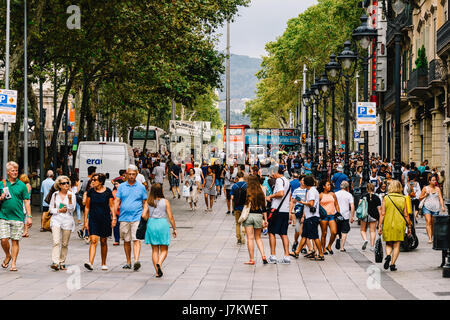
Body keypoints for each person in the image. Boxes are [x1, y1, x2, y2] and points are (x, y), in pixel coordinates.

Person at [114, 165, 149, 271]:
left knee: (136, 239)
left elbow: (145, 201)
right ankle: (128, 261)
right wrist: (114, 214)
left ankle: (136, 260)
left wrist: (144, 213)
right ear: (126, 174)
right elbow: (117, 200)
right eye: (129, 174)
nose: (131, 176)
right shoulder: (121, 187)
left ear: (136, 174)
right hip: (124, 217)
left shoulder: (141, 187)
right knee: (126, 240)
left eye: (133, 174)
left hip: (137, 217)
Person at [0, 162, 32, 272]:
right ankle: (7, 255)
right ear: (8, 172)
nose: (15, 172)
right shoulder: (2, 184)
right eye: (13, 170)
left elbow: (27, 201)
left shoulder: (22, 185)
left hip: (18, 217)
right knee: (4, 239)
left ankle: (13, 263)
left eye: (16, 170)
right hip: (3, 216)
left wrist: (29, 216)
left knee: (15, 241)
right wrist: (1, 197)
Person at [143, 183, 176, 278]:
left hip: (151, 224)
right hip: (162, 224)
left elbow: (143, 215)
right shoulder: (165, 201)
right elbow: (171, 217)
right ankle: (159, 263)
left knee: (154, 250)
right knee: (164, 249)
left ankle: (157, 272)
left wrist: (148, 219)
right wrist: (174, 228)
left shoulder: (148, 202)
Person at [83, 173, 116, 271]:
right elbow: (87, 207)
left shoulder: (108, 192)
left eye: (95, 180)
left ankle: (103, 263)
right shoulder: (90, 192)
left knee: (103, 241)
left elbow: (111, 206)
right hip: (93, 219)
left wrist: (114, 218)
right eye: (92, 180)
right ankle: (90, 262)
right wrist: (85, 221)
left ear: (101, 182)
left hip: (105, 219)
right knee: (93, 240)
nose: (92, 181)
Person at [379, 180, 412, 271]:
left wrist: (380, 225)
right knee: (397, 245)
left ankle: (388, 255)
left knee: (388, 243)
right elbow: (406, 214)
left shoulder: (386, 198)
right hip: (399, 224)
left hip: (388, 223)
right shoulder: (403, 198)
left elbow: (382, 213)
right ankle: (392, 264)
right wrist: (409, 226)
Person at [289, 175, 324, 261]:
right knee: (304, 235)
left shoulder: (311, 191)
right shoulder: (310, 190)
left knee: (315, 236)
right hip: (309, 217)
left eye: (303, 181)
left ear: (306, 183)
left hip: (312, 217)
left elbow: (311, 203)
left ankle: (321, 254)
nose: (302, 182)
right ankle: (297, 252)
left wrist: (302, 202)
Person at [48, 175, 76, 271]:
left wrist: (70, 199)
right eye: (64, 183)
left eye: (67, 183)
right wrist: (59, 210)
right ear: (59, 185)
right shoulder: (55, 195)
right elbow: (51, 209)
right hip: (56, 219)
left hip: (67, 220)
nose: (66, 185)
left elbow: (72, 209)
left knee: (64, 243)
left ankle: (62, 261)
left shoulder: (71, 195)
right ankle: (55, 262)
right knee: (56, 242)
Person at [265, 166, 291, 264]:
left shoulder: (279, 180)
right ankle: (286, 256)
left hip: (277, 210)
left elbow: (280, 193)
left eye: (272, 172)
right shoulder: (287, 181)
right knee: (283, 233)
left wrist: (270, 196)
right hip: (284, 210)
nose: (271, 175)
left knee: (271, 232)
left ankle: (273, 256)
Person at [242, 176, 268, 265]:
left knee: (250, 238)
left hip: (248, 216)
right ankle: (263, 255)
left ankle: (252, 259)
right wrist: (266, 219)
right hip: (258, 216)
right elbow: (264, 208)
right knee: (258, 238)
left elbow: (242, 203)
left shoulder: (247, 192)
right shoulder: (260, 192)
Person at [418, 175, 446, 243]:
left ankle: (432, 235)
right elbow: (420, 198)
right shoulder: (425, 188)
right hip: (427, 207)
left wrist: (442, 206)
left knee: (433, 223)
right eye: (433, 180)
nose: (434, 181)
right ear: (429, 181)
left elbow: (440, 198)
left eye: (435, 180)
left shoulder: (437, 189)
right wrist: (425, 195)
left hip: (436, 208)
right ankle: (430, 238)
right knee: (428, 222)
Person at [289, 175, 312, 255]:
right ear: (300, 181)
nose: (303, 181)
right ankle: (295, 242)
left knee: (303, 230)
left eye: (304, 180)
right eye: (302, 180)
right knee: (297, 230)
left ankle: (304, 247)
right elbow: (293, 201)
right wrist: (290, 211)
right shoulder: (296, 190)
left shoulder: (308, 191)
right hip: (298, 211)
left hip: (305, 212)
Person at [318, 180, 340, 255]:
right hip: (323, 216)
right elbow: (317, 205)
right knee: (324, 233)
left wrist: (338, 212)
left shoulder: (333, 194)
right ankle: (323, 248)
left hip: (332, 215)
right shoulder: (320, 195)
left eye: (330, 185)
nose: (329, 186)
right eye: (327, 185)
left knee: (334, 232)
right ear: (323, 186)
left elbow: (336, 204)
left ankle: (329, 245)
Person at [360, 183, 381, 251]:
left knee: (363, 230)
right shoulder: (377, 197)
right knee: (372, 231)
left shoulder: (363, 196)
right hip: (374, 215)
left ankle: (365, 240)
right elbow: (379, 209)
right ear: (374, 188)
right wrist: (381, 218)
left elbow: (359, 205)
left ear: (367, 189)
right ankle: (372, 246)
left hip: (364, 214)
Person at [334, 181, 354, 252]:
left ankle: (337, 238)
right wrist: (352, 216)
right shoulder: (349, 195)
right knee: (344, 231)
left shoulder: (335, 194)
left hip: (337, 214)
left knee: (337, 229)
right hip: (345, 215)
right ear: (347, 187)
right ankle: (342, 247)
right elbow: (352, 206)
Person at [230, 171, 247, 244]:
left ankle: (238, 238)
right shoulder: (246, 185)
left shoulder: (234, 186)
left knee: (237, 223)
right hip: (244, 207)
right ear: (243, 176)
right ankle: (243, 235)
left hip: (237, 207)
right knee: (244, 223)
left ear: (237, 177)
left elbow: (231, 197)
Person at [112, 179, 122, 246]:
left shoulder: (125, 191)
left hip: (124, 211)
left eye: (117, 184)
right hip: (116, 211)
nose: (116, 185)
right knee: (116, 226)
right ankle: (117, 239)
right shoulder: (113, 192)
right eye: (115, 184)